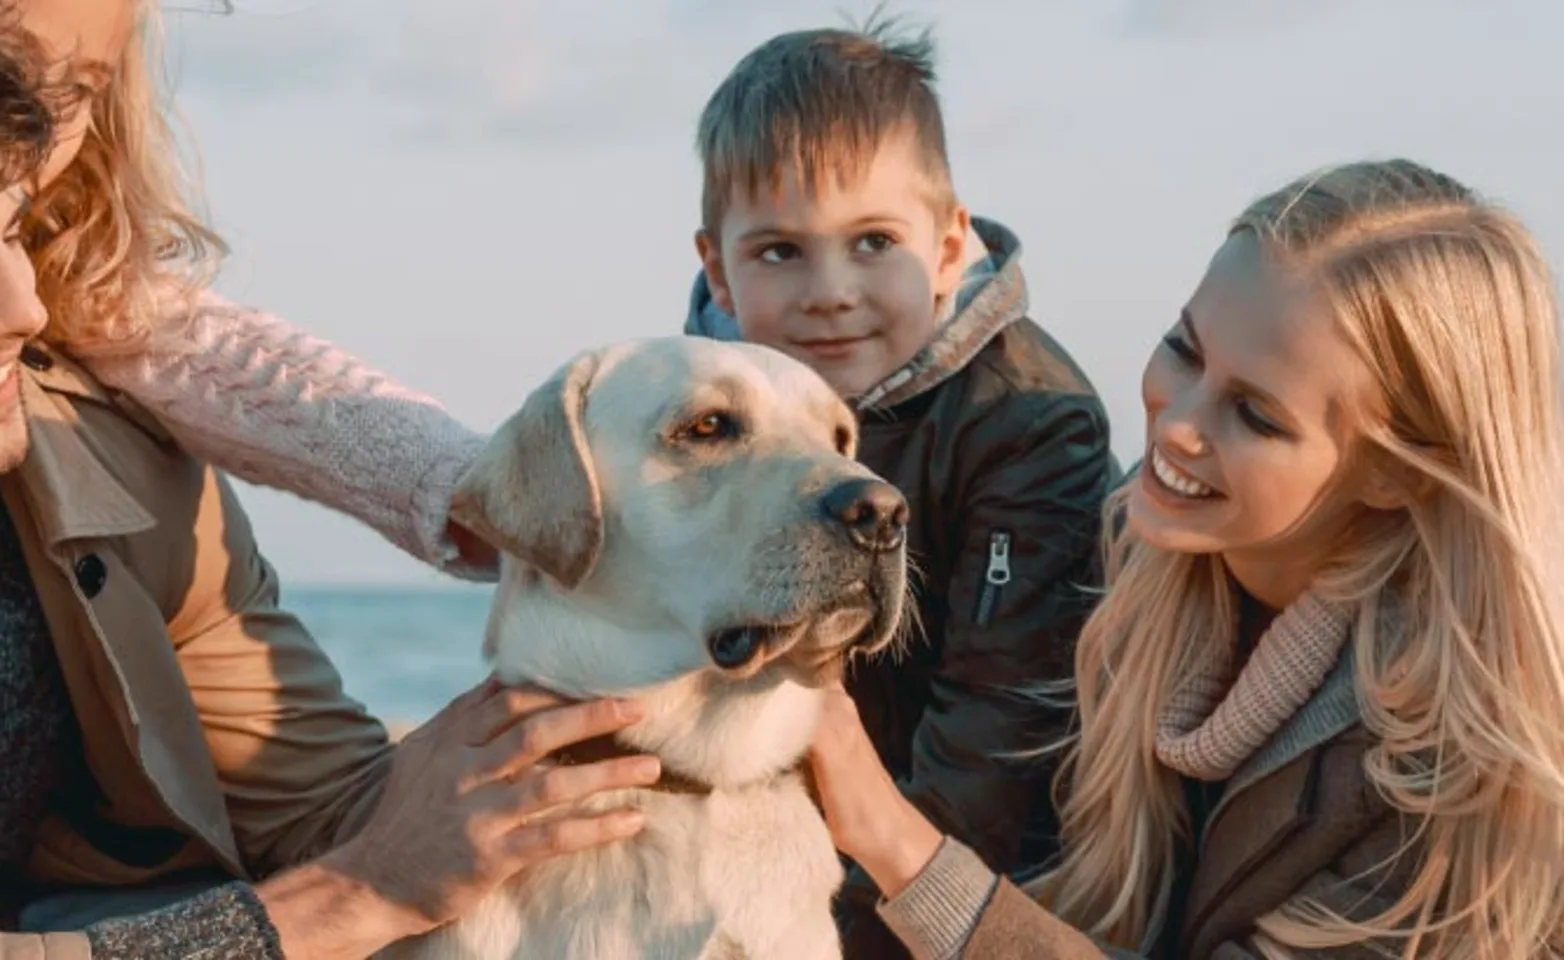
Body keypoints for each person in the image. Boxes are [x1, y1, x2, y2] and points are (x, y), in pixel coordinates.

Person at [0, 2, 663, 956]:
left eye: (85, 92)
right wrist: (349, 896)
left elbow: (328, 817)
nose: (27, 299)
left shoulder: (104, 446)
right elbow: (357, 878)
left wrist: (507, 778)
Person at [808, 158, 1564, 958]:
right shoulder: (1126, 552)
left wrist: (896, 846)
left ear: (1396, 473)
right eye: (1185, 349)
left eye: (1256, 415)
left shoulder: (1451, 778)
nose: (1177, 427)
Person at [682, 17, 1118, 954]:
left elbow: (1000, 748)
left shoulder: (1032, 426)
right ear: (716, 266)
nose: (830, 290)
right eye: (779, 252)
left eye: (874, 241)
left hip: (978, 872)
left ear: (951, 246)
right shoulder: (693, 409)